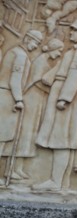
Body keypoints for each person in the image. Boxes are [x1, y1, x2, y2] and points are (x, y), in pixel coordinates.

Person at [33, 18, 77, 191]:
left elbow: (75, 76)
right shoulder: (74, 51)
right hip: (61, 91)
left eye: (74, 30)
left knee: (62, 139)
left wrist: (65, 98)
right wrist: (48, 77)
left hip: (67, 98)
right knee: (61, 138)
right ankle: (61, 182)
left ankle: (56, 181)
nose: (71, 33)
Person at [1, 39, 64, 181]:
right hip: (30, 99)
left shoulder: (42, 60)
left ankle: (18, 168)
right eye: (59, 50)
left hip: (37, 102)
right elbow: (37, 82)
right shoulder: (40, 61)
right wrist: (54, 91)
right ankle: (11, 169)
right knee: (24, 134)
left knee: (29, 135)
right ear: (52, 49)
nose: (59, 54)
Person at [0, 30, 43, 185]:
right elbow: (15, 80)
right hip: (7, 97)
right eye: (35, 43)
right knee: (2, 138)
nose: (35, 46)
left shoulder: (14, 52)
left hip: (5, 95)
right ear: (27, 38)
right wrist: (19, 99)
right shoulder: (20, 55)